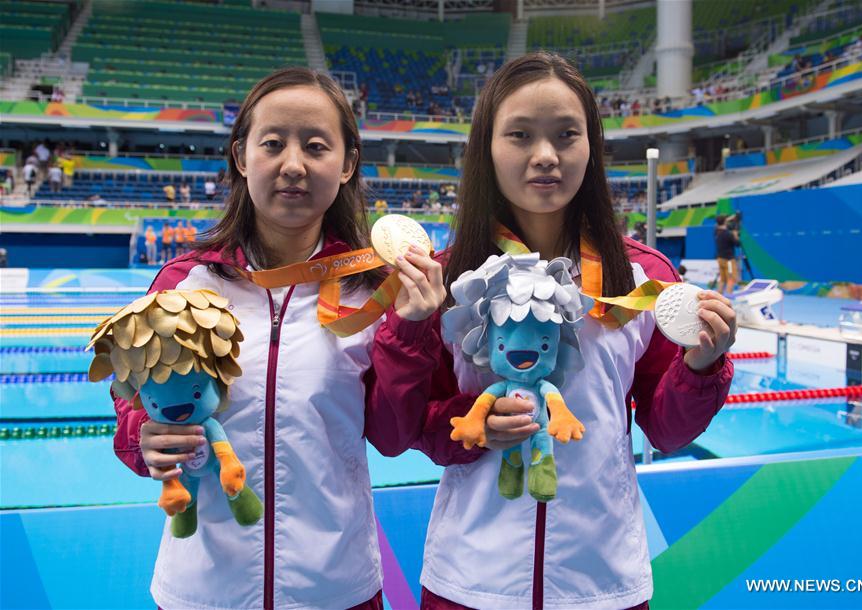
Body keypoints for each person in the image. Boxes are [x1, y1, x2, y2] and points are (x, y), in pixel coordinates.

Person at [381, 52, 736, 610]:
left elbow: (666, 432)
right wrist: (472, 430)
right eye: (520, 135)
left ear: (591, 147)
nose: (545, 156)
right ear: (486, 149)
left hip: (601, 581)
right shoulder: (445, 281)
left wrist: (701, 366)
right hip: (472, 580)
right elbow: (402, 429)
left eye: (566, 135)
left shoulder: (642, 280)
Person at [109, 67, 446, 610]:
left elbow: (390, 435)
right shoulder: (186, 283)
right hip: (204, 590)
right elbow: (132, 404)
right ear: (242, 158)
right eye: (273, 144)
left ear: (347, 164)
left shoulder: (374, 292)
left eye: (316, 146)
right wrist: (141, 437)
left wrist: (409, 330)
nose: (293, 165)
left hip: (337, 589)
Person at [715, 214, 741, 295]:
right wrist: (735, 234)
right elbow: (737, 244)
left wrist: (728, 218)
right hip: (728, 260)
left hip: (720, 259)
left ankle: (718, 296)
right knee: (731, 279)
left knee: (722, 279)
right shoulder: (728, 234)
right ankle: (729, 298)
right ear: (725, 222)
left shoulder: (716, 232)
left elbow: (718, 223)